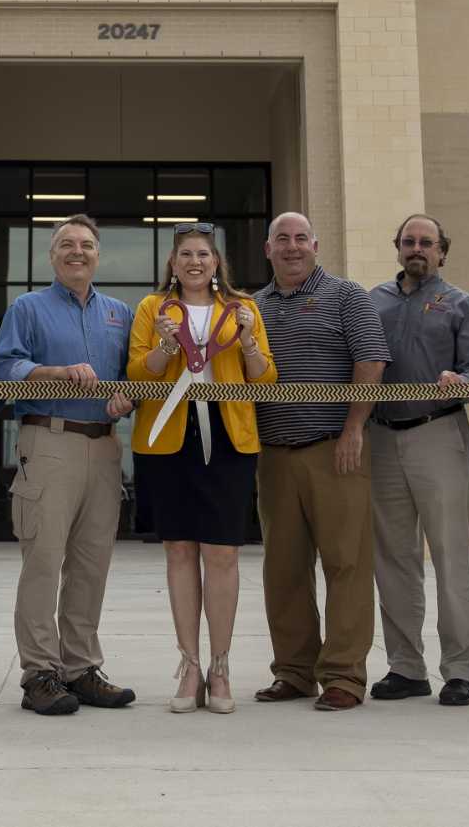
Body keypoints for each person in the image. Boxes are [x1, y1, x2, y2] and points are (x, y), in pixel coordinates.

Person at [125, 222, 277, 714]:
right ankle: (189, 665)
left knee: (223, 554)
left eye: (204, 255)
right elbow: (136, 372)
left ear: (217, 264)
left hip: (228, 436)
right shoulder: (152, 309)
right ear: (172, 263)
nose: (194, 261)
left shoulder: (244, 309)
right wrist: (167, 346)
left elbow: (265, 377)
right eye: (185, 254)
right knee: (178, 550)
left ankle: (221, 666)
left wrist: (250, 342)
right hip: (170, 436)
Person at [0, 214, 138, 716]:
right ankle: (40, 674)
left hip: (104, 447)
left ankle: (80, 669)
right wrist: (53, 372)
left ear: (98, 255)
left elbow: (129, 377)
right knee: (44, 561)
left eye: (87, 245)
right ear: (52, 256)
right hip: (49, 442)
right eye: (67, 245)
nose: (77, 252)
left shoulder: (120, 312)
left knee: (91, 564)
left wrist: (126, 398)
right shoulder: (27, 308)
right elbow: (5, 368)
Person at [252, 212, 391, 712]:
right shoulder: (252, 307)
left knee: (346, 564)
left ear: (316, 244)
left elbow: (370, 360)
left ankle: (344, 677)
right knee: (283, 570)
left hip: (336, 449)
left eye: (301, 239)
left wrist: (354, 428)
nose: (292, 247)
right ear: (268, 250)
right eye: (281, 240)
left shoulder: (347, 295)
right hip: (273, 454)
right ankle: (293, 671)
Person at [366, 214, 469, 708]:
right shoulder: (371, 301)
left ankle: (459, 668)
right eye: (409, 241)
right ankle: (406, 666)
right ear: (397, 247)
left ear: (442, 250)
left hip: (437, 433)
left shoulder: (461, 304)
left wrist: (466, 381)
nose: (417, 248)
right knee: (393, 557)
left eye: (427, 242)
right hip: (381, 436)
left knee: (448, 554)